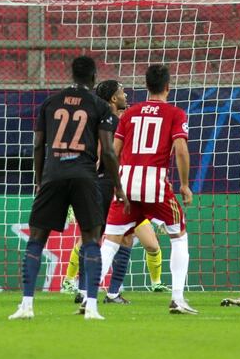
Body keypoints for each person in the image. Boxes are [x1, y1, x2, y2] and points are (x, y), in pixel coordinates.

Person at [9, 56, 129, 321]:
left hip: (53, 174)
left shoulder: (50, 103)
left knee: (37, 239)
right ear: (94, 76)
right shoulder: (100, 106)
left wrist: (40, 180)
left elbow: (39, 146)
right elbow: (108, 151)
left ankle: (26, 305)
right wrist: (118, 187)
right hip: (85, 177)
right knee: (91, 240)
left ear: (71, 74)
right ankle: (92, 307)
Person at [104, 64, 197, 315]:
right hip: (155, 184)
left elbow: (112, 152)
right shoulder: (175, 114)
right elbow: (180, 150)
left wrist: (115, 183)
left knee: (111, 240)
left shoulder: (130, 113)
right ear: (168, 86)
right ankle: (177, 298)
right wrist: (185, 185)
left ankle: (89, 296)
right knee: (179, 235)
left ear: (146, 86)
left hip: (125, 182)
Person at [65, 80, 167, 307]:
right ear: (113, 98)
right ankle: (90, 290)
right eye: (121, 91)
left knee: (119, 236)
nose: (126, 94)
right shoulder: (109, 121)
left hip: (117, 183)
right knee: (100, 237)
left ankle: (106, 292)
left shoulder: (106, 119)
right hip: (108, 184)